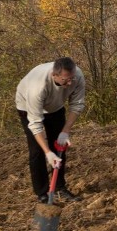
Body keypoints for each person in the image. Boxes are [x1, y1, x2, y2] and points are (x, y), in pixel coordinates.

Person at [16, 57, 86, 203]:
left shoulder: (77, 76)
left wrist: (65, 131)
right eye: (65, 80)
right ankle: (42, 193)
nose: (70, 83)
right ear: (54, 75)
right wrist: (48, 153)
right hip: (27, 106)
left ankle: (60, 188)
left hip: (55, 106)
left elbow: (77, 105)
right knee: (37, 151)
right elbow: (35, 124)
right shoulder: (38, 87)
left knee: (59, 147)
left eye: (71, 78)